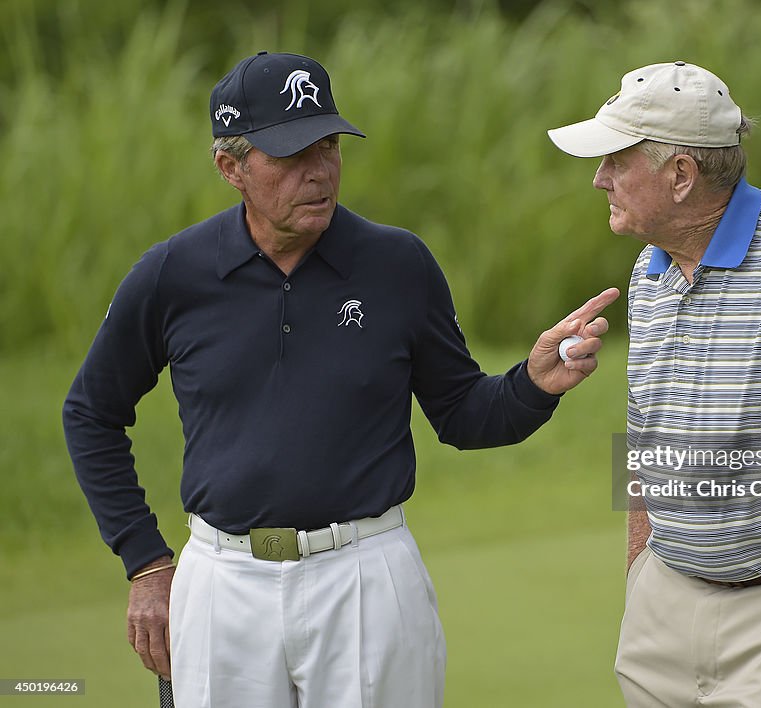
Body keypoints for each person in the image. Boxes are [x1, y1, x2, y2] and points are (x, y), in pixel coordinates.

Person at [63, 51, 618, 708]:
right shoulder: (173, 274)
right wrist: (147, 562)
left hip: (366, 578)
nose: (320, 172)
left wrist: (532, 382)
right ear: (230, 167)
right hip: (222, 584)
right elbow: (91, 411)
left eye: (328, 145)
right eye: (293, 155)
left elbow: (464, 413)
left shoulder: (397, 265)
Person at [548, 61, 761, 707]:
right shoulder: (652, 267)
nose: (599, 178)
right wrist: (641, 577)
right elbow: (648, 437)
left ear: (680, 175)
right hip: (667, 600)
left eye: (617, 161)